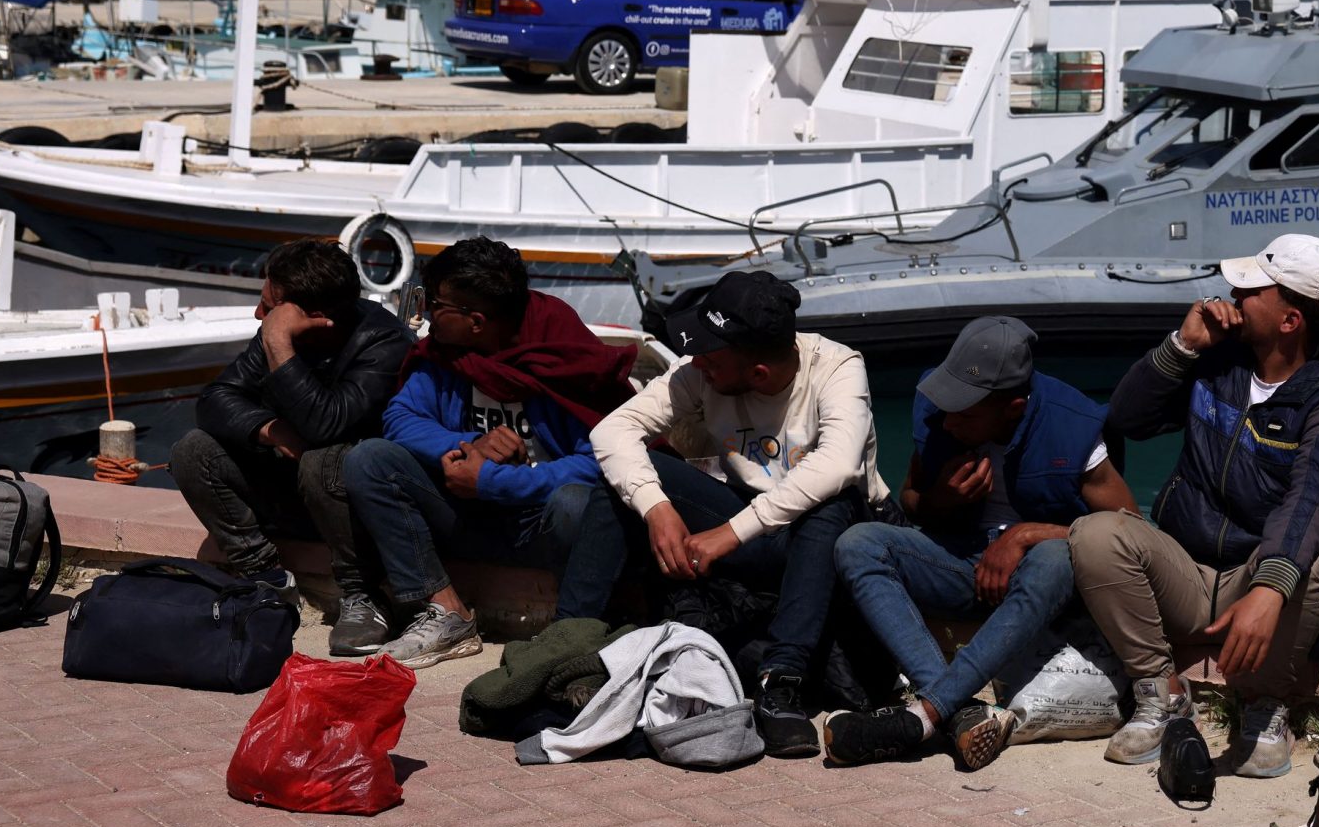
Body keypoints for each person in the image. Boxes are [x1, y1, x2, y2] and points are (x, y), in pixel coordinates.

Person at [1069, 232, 1319, 780]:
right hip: (1184, 566)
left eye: (1253, 288)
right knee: (1096, 533)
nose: (1233, 292)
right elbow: (1127, 419)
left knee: (1313, 564)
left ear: (1290, 320)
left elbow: (1313, 496)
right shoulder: (1218, 360)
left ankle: (1264, 705)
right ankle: (1160, 692)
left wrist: (1268, 587)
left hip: (1248, 579)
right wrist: (1181, 346)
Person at [570, 269, 888, 758]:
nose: (694, 362)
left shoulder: (837, 367)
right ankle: (568, 646)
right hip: (753, 532)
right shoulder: (703, 371)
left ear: (757, 373)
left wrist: (732, 533)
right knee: (632, 478)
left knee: (834, 499)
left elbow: (839, 463)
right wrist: (657, 509)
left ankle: (781, 684)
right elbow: (613, 432)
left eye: (708, 356)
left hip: (828, 544)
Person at [823, 316, 1135, 772]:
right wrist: (939, 499)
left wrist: (1025, 535)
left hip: (1040, 580)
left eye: (965, 412)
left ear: (1012, 405)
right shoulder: (938, 410)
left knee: (1052, 558)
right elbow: (911, 501)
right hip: (962, 562)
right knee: (858, 543)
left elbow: (1129, 529)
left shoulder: (1073, 426)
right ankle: (957, 710)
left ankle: (924, 715)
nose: (949, 421)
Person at [344, 238, 633, 668]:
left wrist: (492, 480)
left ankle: (576, 625)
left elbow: (602, 461)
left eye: (438, 304)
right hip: (465, 513)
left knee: (577, 503)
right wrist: (465, 446)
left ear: (476, 321)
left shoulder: (560, 350)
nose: (427, 318)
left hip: (538, 522)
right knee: (370, 459)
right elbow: (401, 416)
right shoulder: (446, 353)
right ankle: (447, 613)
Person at [170, 238, 413, 656]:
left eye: (270, 308)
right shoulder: (274, 332)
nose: (258, 315)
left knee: (323, 459)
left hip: (355, 512)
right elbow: (215, 400)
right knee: (193, 450)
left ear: (314, 318)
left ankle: (364, 596)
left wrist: (281, 346)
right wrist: (271, 430)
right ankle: (265, 577)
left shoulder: (384, 344)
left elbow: (326, 426)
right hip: (293, 495)